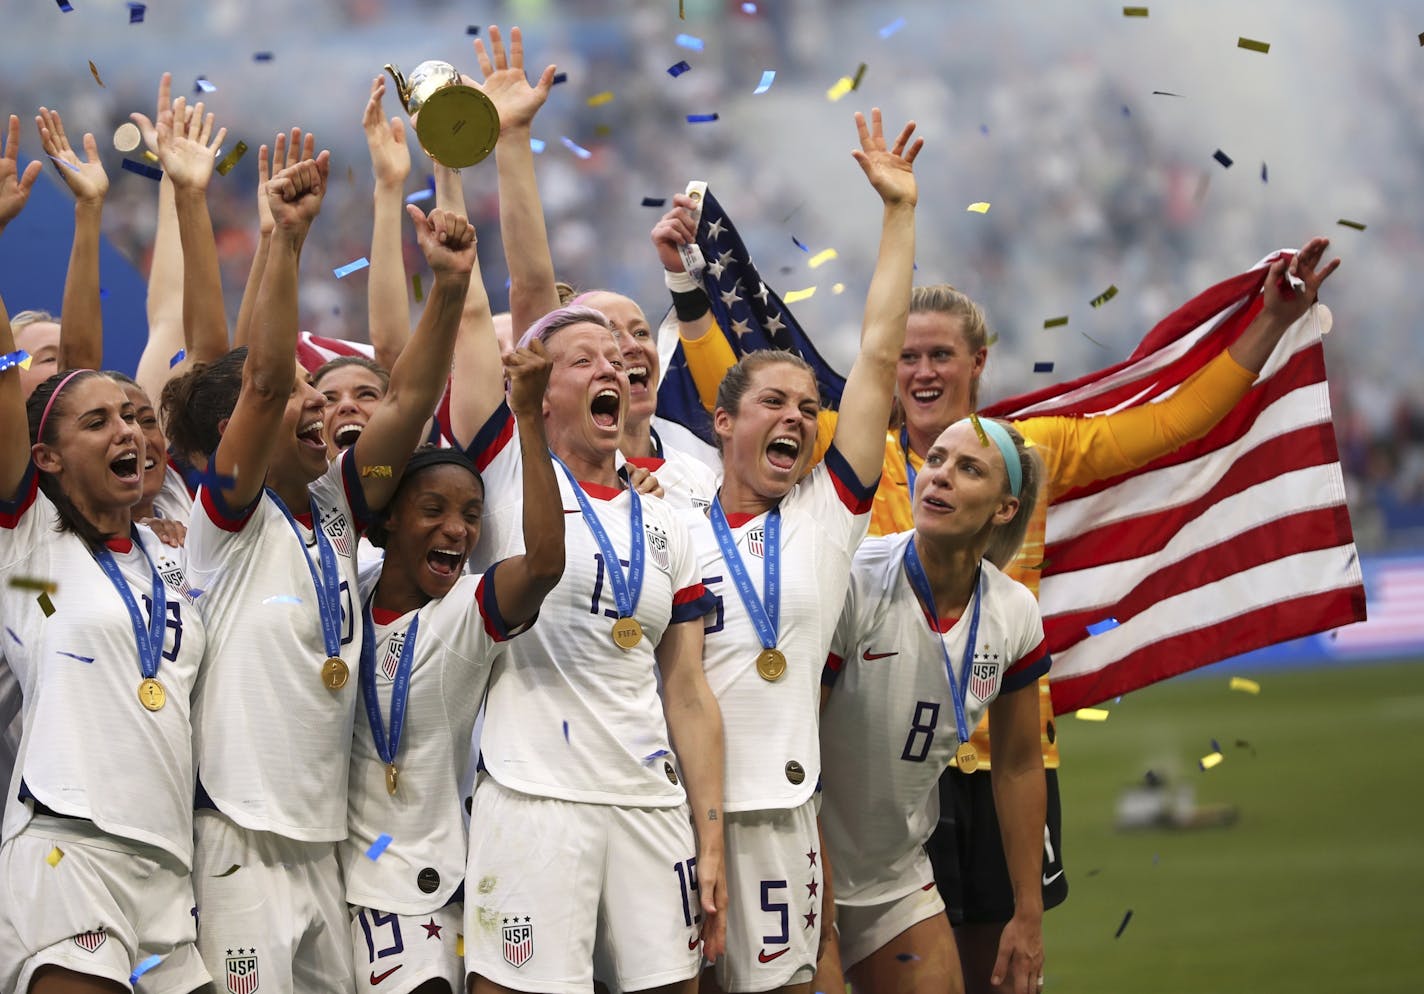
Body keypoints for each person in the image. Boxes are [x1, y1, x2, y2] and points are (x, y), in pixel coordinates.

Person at [669, 223, 1341, 991]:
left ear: (977, 363)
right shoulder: (847, 455)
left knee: (992, 975)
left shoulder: (1034, 450)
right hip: (864, 772)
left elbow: (1175, 424)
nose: (921, 371)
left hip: (993, 757)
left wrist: (1273, 322)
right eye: (909, 356)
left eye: (941, 355)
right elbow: (745, 397)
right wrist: (689, 293)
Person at [162, 121, 478, 991]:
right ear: (238, 433)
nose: (315, 407)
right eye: (300, 398)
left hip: (326, 842)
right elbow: (261, 379)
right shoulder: (226, 519)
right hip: (239, 838)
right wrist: (285, 242)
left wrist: (448, 288)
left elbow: (411, 394)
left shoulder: (339, 505)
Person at [646, 108, 919, 994]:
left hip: (782, 818)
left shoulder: (826, 514)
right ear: (721, 421)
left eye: (808, 407)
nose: (798, 418)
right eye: (774, 403)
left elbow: (878, 356)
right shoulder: (671, 515)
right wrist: (682, 286)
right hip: (666, 814)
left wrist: (898, 214)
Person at [0, 287, 211, 994]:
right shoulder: (31, 545)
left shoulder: (174, 555)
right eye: (97, 422)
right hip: (70, 849)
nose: (128, 430)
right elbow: (6, 382)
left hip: (167, 862)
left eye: (131, 415)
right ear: (48, 460)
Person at [345, 341, 565, 994]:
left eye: (471, 516)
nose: (457, 530)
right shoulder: (344, 593)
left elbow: (545, 564)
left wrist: (527, 418)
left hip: (441, 876)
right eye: (433, 510)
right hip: (345, 874)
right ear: (386, 522)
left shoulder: (469, 607)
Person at [819, 416, 1048, 994]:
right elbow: (793, 737)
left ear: (1004, 508)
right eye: (937, 460)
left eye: (969, 469)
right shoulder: (856, 578)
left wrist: (1028, 912)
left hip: (894, 876)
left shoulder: (1014, 613)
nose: (940, 476)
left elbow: (1020, 765)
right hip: (800, 858)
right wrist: (812, 881)